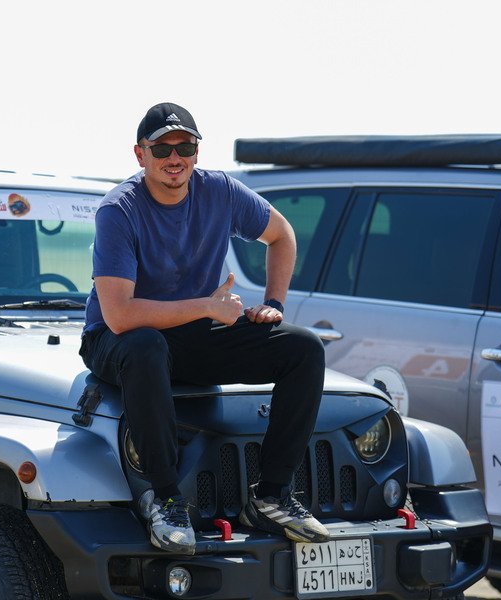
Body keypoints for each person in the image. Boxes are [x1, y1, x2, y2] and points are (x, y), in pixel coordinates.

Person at [80, 102, 328, 554]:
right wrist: (208, 306)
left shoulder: (221, 191)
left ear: (197, 151)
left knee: (304, 348)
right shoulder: (118, 210)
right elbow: (119, 316)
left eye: (186, 147)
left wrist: (273, 304)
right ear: (140, 154)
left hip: (191, 332)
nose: (175, 158)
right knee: (146, 345)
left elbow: (282, 235)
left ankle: (271, 496)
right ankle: (166, 499)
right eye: (162, 149)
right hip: (114, 341)